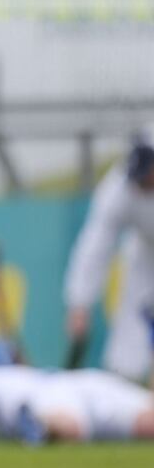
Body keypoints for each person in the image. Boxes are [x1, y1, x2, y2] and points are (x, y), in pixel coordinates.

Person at [64, 135, 154, 385]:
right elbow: (95, 246)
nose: (141, 182)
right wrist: (80, 303)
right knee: (129, 345)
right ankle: (122, 395)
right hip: (147, 253)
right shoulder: (118, 190)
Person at [0, 363, 154, 443]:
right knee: (71, 427)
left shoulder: (0, 378)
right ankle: (42, 426)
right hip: (68, 389)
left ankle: (40, 425)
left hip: (64, 388)